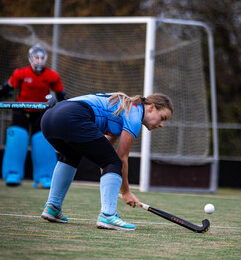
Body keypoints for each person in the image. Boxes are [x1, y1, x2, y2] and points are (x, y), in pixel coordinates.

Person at [40, 92, 173, 231]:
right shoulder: (134, 115)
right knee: (114, 162)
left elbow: (104, 154)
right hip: (72, 117)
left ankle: (52, 207)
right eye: (162, 118)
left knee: (71, 155)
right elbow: (120, 158)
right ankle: (108, 216)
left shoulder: (122, 109)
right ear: (151, 107)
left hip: (49, 118)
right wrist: (126, 192)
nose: (162, 124)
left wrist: (111, 183)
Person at [0, 44, 66, 187]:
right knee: (17, 137)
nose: (39, 60)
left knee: (42, 140)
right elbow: (8, 89)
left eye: (42, 57)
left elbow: (61, 95)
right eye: (36, 57)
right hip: (21, 110)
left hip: (42, 112)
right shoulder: (20, 73)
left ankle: (45, 176)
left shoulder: (52, 76)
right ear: (31, 58)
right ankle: (13, 173)